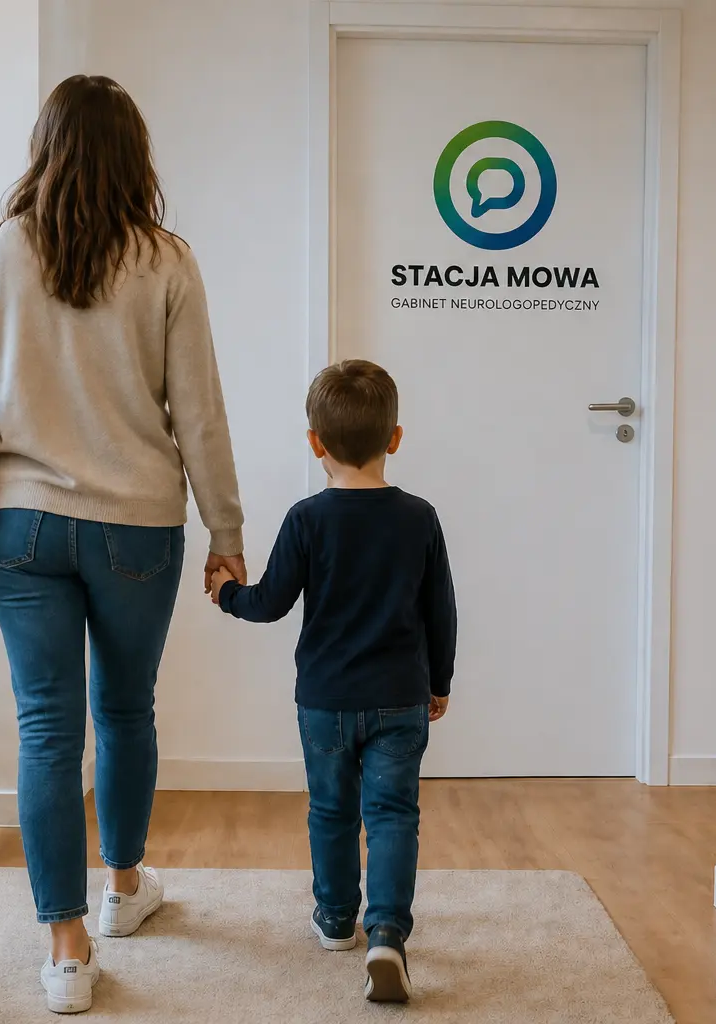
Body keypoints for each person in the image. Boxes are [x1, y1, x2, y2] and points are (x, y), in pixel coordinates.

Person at [0, 75, 245, 1014]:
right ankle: (121, 892)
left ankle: (64, 952)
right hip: (138, 526)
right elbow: (202, 417)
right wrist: (226, 532)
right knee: (127, 712)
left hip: (19, 526)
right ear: (133, 158)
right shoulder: (167, 262)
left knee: (45, 728)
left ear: (43, 149)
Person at [209, 359, 456, 1003]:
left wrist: (226, 593)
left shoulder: (307, 518)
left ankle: (336, 918)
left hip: (324, 701)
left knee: (331, 810)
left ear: (315, 443)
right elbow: (441, 609)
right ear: (394, 438)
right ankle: (388, 934)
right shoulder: (419, 517)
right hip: (401, 692)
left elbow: (269, 602)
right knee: (394, 812)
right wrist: (441, 680)